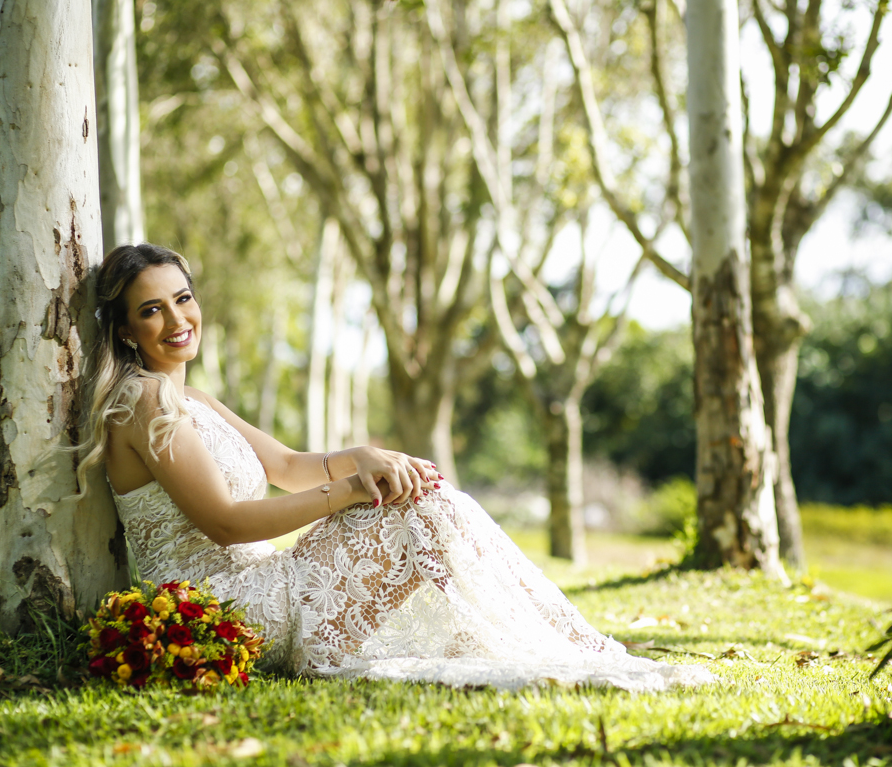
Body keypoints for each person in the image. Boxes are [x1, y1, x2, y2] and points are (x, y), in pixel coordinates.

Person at [72, 243, 715, 691]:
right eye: (152, 309)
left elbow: (291, 466)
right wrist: (352, 490)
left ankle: (523, 638)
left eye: (182, 299)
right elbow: (229, 524)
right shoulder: (145, 400)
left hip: (261, 585)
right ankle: (523, 641)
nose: (177, 320)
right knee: (420, 508)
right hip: (222, 609)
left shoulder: (191, 398)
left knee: (427, 498)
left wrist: (367, 458)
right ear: (126, 330)